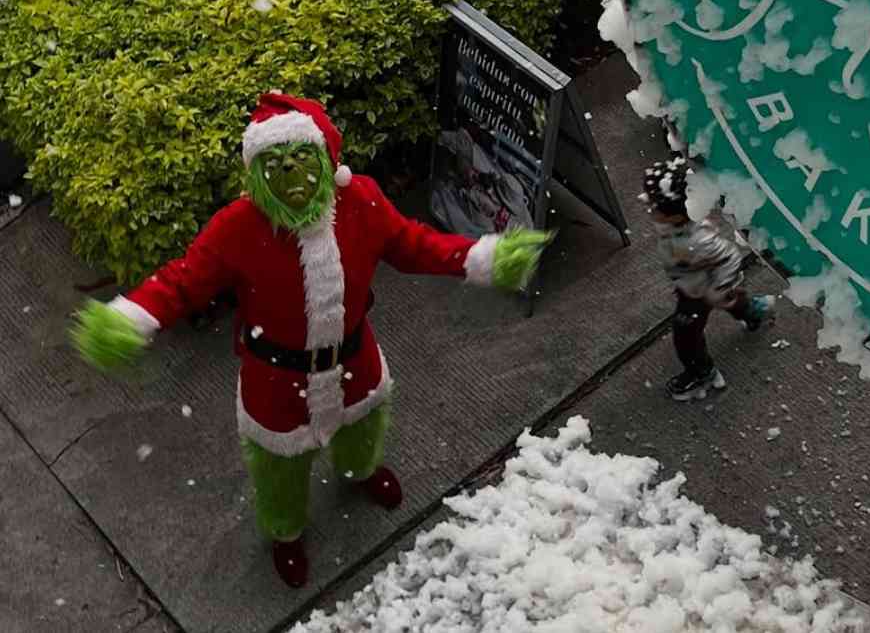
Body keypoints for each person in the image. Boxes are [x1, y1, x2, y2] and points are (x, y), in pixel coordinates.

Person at [70, 92, 552, 588]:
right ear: (256, 175)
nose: (290, 171)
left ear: (325, 159)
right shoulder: (237, 227)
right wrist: (134, 316)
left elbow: (412, 244)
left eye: (301, 156)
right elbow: (184, 280)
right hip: (276, 380)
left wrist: (477, 258)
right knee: (279, 466)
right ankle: (285, 530)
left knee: (363, 428)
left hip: (354, 362)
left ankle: (360, 472)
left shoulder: (360, 200)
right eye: (274, 162)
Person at [641, 157, 775, 401]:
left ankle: (701, 372)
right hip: (692, 281)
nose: (648, 208)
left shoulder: (697, 240)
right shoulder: (675, 226)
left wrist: (718, 290)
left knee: (686, 336)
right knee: (731, 301)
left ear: (671, 214)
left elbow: (730, 257)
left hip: (700, 291)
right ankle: (754, 311)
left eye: (653, 205)